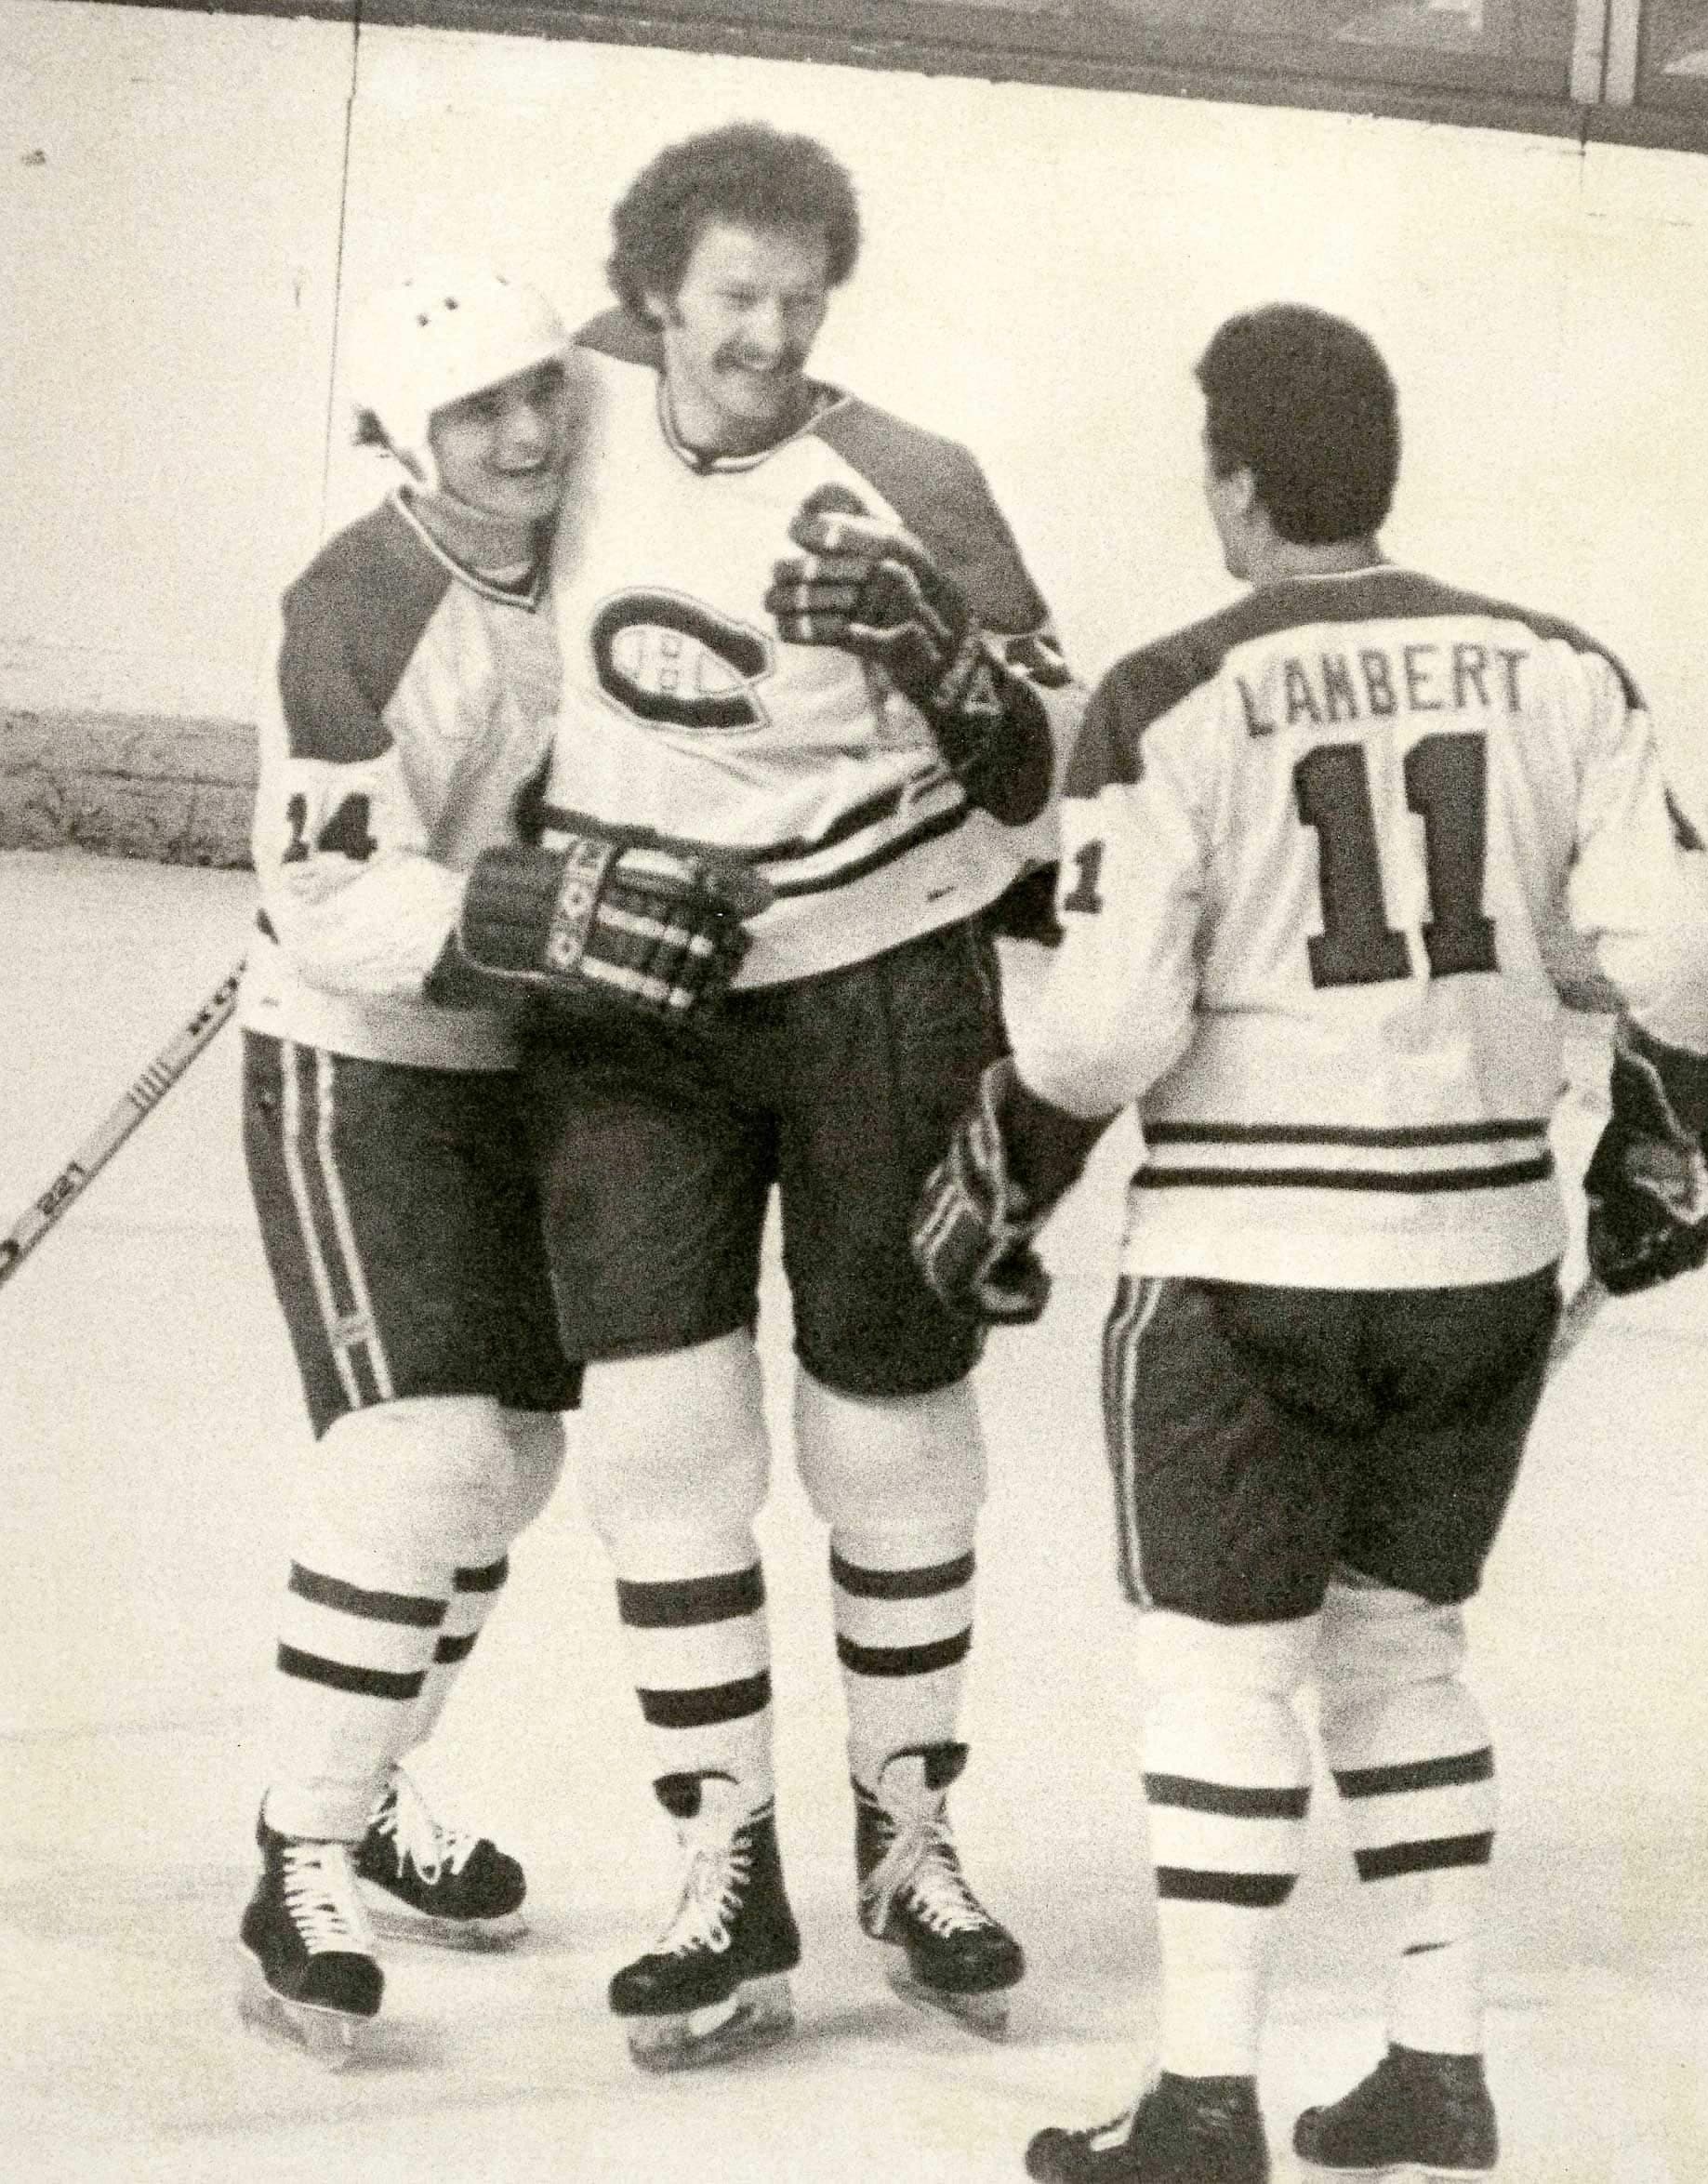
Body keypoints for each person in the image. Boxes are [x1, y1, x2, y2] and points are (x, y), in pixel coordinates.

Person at [914, 303, 1708, 2181]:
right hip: (1480, 1254)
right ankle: (1432, 2069)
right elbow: (1686, 939)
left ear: (1232, 477)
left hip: (1246, 1260)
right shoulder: (1554, 665)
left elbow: (1105, 1028)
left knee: (1222, 1673)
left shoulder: (1172, 690)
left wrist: (1011, 1167)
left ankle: (1207, 2097)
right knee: (1401, 1648)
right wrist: (1668, 1124)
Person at [454, 121, 1083, 2071]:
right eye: (735, 295)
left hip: (883, 970)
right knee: (659, 1423)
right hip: (628, 987)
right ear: (655, 288)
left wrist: (947, 658)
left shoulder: (908, 479)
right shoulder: (561, 400)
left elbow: (1045, 771)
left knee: (887, 1411)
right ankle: (722, 1857)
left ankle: (910, 1827)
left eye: (803, 299)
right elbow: (426, 577)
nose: (771, 333)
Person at [233, 261, 587, 2068]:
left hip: (514, 1073)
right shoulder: (358, 596)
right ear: (403, 433)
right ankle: (298, 1849)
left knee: (512, 1460)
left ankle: (368, 1785)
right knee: (423, 1447)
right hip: (356, 1067)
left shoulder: (590, 544)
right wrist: (522, 907)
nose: (525, 432)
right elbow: (329, 895)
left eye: (539, 390)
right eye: (477, 411)